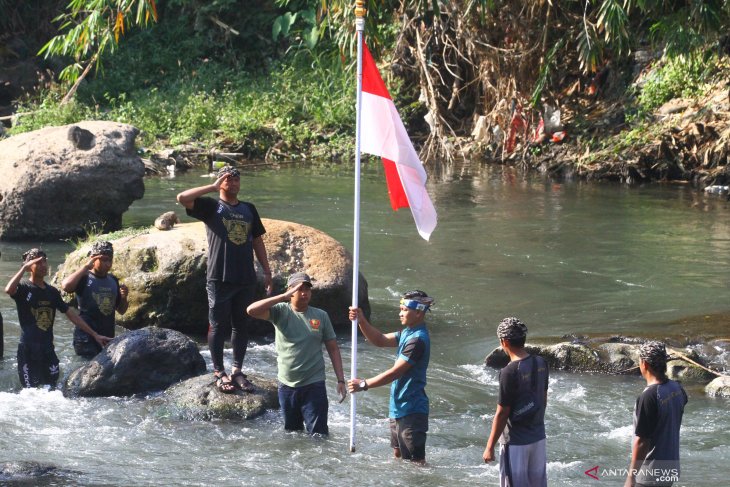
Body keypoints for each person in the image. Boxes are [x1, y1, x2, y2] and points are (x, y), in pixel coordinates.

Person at [177, 164, 273, 393]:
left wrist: (267, 272)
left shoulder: (249, 209)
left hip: (245, 277)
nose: (232, 182)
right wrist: (212, 186)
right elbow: (182, 198)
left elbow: (257, 240)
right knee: (218, 325)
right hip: (219, 276)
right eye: (227, 178)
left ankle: (237, 370)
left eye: (236, 178)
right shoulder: (211, 206)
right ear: (220, 182)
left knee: (241, 325)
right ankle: (219, 371)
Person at [247, 272, 346, 435]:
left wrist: (341, 379)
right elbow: (251, 310)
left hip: (314, 384)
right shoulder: (280, 311)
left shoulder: (321, 316)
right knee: (292, 435)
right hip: (287, 385)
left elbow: (333, 348)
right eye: (299, 289)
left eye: (307, 289)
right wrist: (282, 297)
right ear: (290, 291)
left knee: (319, 435)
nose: (304, 293)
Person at [4, 248, 111, 388]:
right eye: (38, 263)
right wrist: (24, 268)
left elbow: (72, 316)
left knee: (52, 388)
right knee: (30, 392)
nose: (43, 266)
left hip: (48, 349)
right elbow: (8, 290)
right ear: (30, 266)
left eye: (45, 262)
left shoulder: (52, 292)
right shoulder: (24, 288)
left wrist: (95, 334)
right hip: (28, 350)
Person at [348, 290, 433, 463]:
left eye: (404, 310)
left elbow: (395, 372)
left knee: (415, 464)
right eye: (400, 308)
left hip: (412, 408)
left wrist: (364, 384)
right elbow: (379, 339)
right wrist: (361, 320)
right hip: (398, 406)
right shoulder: (406, 333)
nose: (400, 313)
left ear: (418, 312)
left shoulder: (417, 340)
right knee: (398, 456)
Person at [483, 317, 549, 487]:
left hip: (515, 442)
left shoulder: (508, 371)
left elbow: (502, 413)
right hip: (538, 437)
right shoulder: (541, 363)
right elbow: (543, 399)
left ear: (504, 342)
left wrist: (489, 447)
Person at [625, 341, 687, 487]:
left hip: (650, 475)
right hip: (670, 469)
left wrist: (631, 479)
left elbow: (642, 442)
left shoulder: (649, 397)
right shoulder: (678, 388)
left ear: (644, 364)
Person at [61, 241, 129, 358]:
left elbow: (121, 311)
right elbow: (66, 286)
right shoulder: (84, 277)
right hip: (86, 337)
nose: (108, 264)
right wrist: (86, 267)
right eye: (104, 260)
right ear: (93, 259)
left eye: (110, 260)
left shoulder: (113, 280)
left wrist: (124, 298)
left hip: (107, 337)